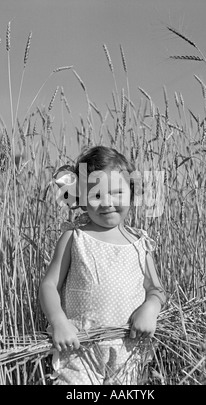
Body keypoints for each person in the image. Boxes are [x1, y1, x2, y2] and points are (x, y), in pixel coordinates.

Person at [39, 145, 166, 385]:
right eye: (96, 195)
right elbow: (49, 285)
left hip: (128, 348)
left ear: (131, 193)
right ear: (81, 199)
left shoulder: (140, 243)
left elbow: (156, 289)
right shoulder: (74, 238)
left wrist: (151, 308)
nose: (107, 202)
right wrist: (58, 322)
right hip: (79, 347)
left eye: (117, 192)